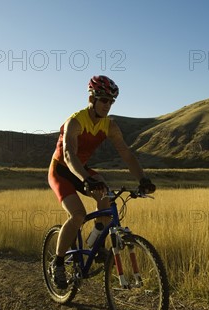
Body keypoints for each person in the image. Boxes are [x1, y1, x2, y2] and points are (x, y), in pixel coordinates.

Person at [47, 75, 156, 289]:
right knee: (77, 214)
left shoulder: (110, 126)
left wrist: (143, 178)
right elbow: (69, 155)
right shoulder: (76, 121)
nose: (107, 105)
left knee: (105, 198)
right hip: (62, 170)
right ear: (92, 98)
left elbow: (127, 155)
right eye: (104, 100)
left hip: (82, 170)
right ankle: (58, 263)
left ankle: (95, 243)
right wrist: (86, 179)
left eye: (111, 101)